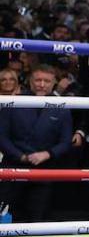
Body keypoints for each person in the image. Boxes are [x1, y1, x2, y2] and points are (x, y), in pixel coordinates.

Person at [0, 64, 71, 221]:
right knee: (9, 217)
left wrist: (47, 154)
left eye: (46, 81)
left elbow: (65, 142)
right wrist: (21, 156)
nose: (41, 84)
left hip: (44, 170)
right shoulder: (13, 102)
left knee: (38, 218)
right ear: (30, 81)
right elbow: (2, 137)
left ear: (54, 83)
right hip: (13, 168)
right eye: (38, 80)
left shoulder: (62, 107)